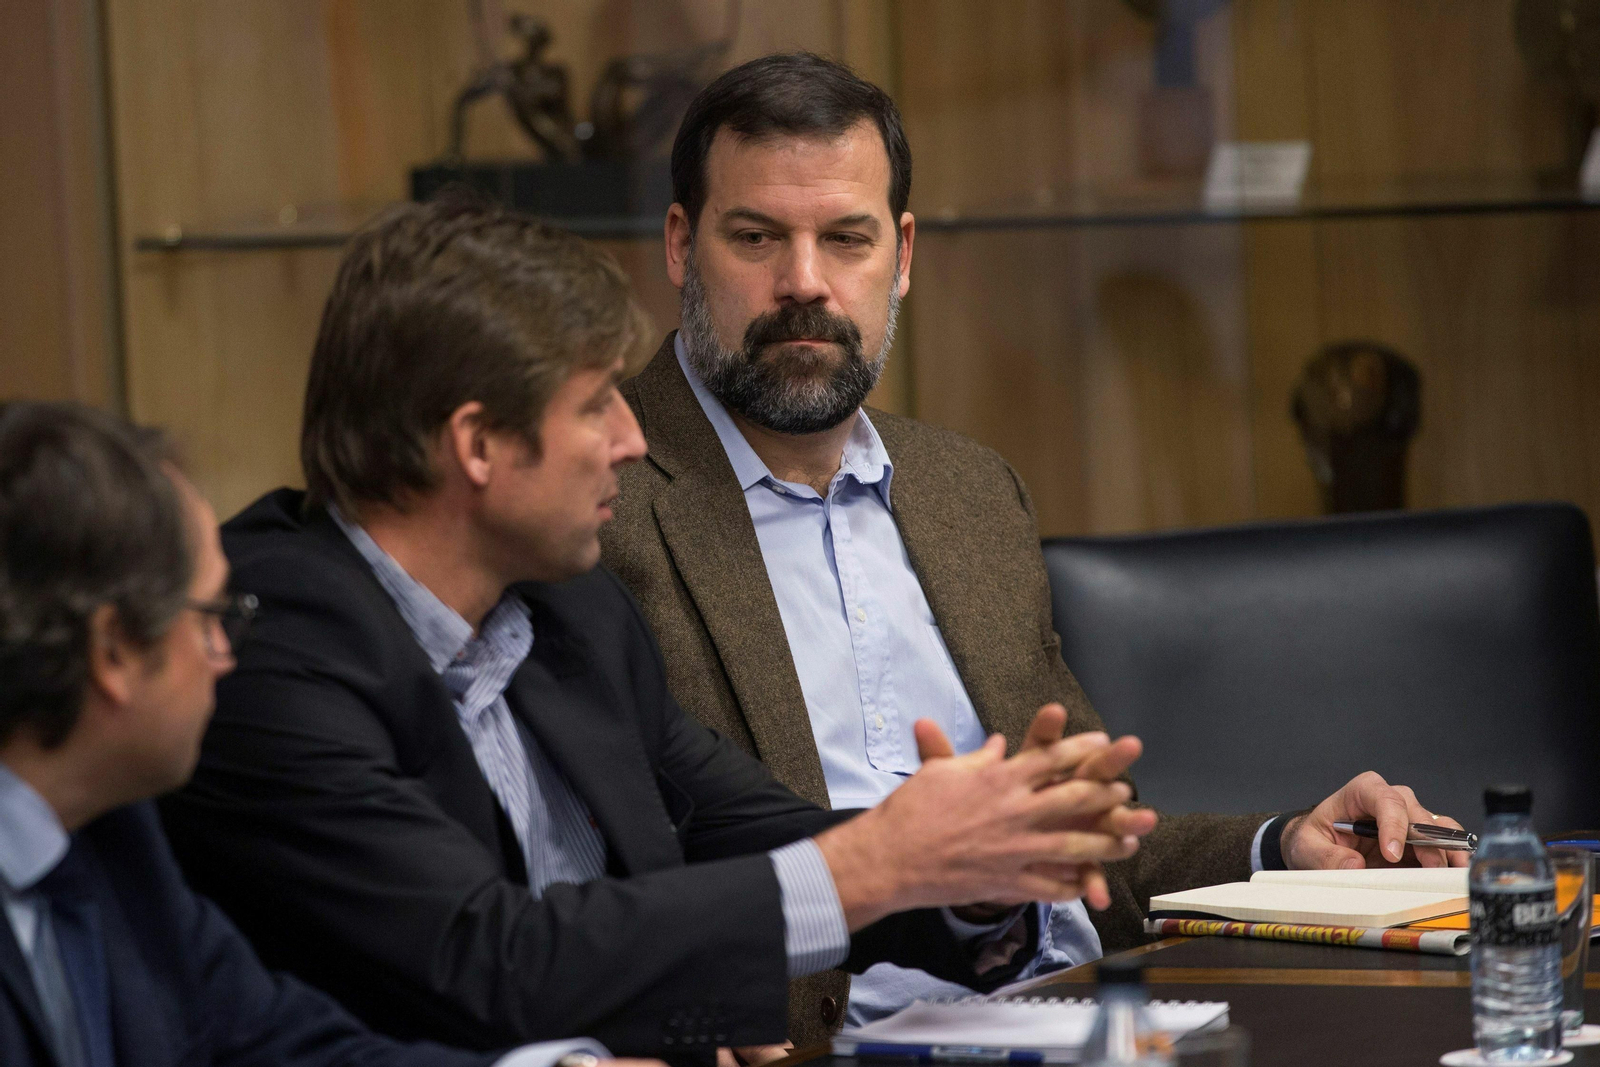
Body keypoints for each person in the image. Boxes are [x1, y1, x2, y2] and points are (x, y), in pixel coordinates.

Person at [159, 198, 1158, 1064]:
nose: (634, 441)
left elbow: (745, 830)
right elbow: (484, 953)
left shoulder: (569, 609)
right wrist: (876, 862)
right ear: (475, 444)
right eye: (597, 405)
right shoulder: (268, 650)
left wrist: (969, 865)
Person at [596, 52, 1469, 1040]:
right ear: (679, 244)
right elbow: (585, 892)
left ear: (905, 253)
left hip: (1090, 1011)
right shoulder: (594, 499)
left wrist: (1283, 845)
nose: (805, 283)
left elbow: (1090, 857)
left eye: (847, 238)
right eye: (756, 237)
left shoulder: (967, 490)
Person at [0, 401, 651, 1067]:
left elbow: (274, 1044)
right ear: (113, 652)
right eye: (211, 617)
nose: (227, 655)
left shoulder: (113, 835)